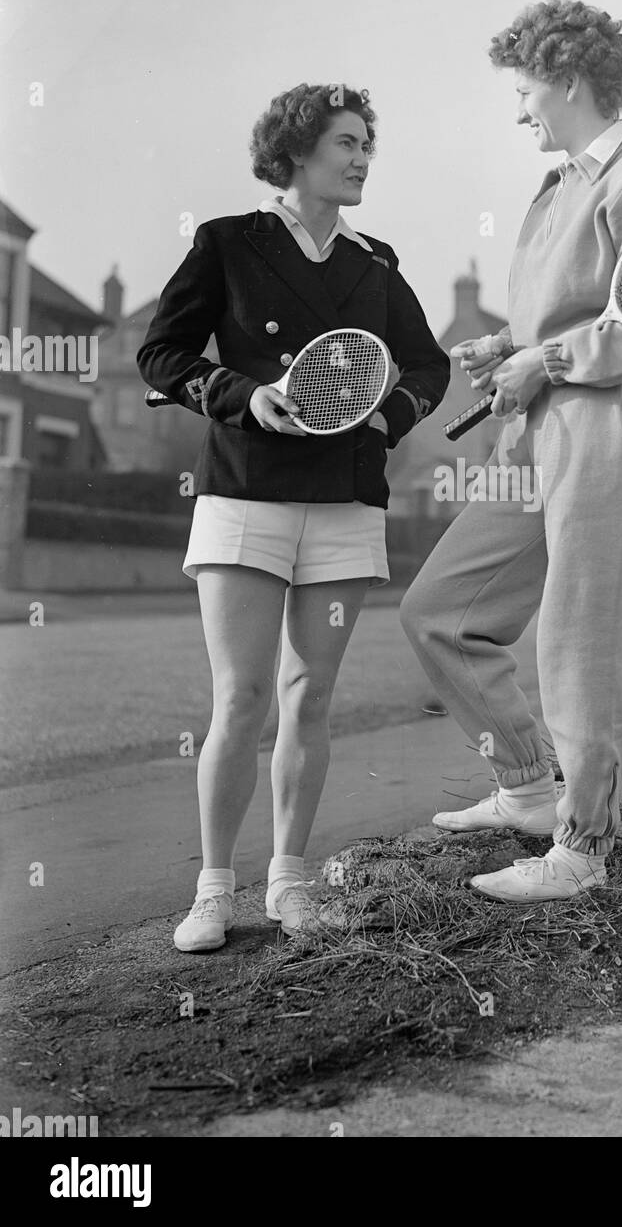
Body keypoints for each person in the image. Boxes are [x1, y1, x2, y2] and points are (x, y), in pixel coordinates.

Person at [138, 83, 450, 951]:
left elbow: (425, 366)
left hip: (345, 504)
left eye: (366, 146)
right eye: (346, 143)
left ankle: (290, 880)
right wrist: (244, 396)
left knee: (308, 697)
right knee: (240, 699)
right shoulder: (228, 243)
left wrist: (389, 418)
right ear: (297, 150)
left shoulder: (376, 263)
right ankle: (212, 892)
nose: (360, 160)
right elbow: (161, 354)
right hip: (243, 496)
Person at [400, 0, 622, 903]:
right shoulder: (561, 183)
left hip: (611, 434)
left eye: (524, 89)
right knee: (439, 611)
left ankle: (582, 848)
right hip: (540, 429)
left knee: (583, 641)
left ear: (568, 82)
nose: (518, 107)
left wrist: (546, 357)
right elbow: (566, 315)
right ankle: (528, 787)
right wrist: (506, 345)